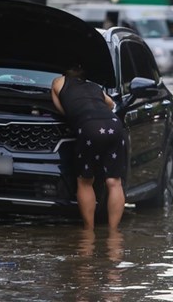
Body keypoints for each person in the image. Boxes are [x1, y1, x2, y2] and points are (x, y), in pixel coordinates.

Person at [51, 65, 126, 231]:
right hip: (114, 124)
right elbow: (111, 103)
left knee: (85, 181)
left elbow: (62, 110)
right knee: (114, 182)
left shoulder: (58, 82)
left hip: (89, 126)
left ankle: (89, 231)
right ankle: (114, 234)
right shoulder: (94, 86)